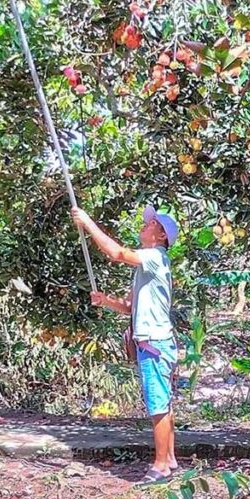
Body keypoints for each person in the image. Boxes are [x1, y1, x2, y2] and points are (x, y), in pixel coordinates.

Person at [71, 204, 179, 484]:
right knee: (162, 402)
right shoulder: (146, 265)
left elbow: (116, 253)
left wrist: (88, 223)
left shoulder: (155, 256)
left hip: (153, 343)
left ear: (161, 236)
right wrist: (106, 301)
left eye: (152, 222)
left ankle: (161, 467)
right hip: (154, 342)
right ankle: (169, 459)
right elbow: (130, 306)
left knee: (158, 404)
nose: (146, 224)